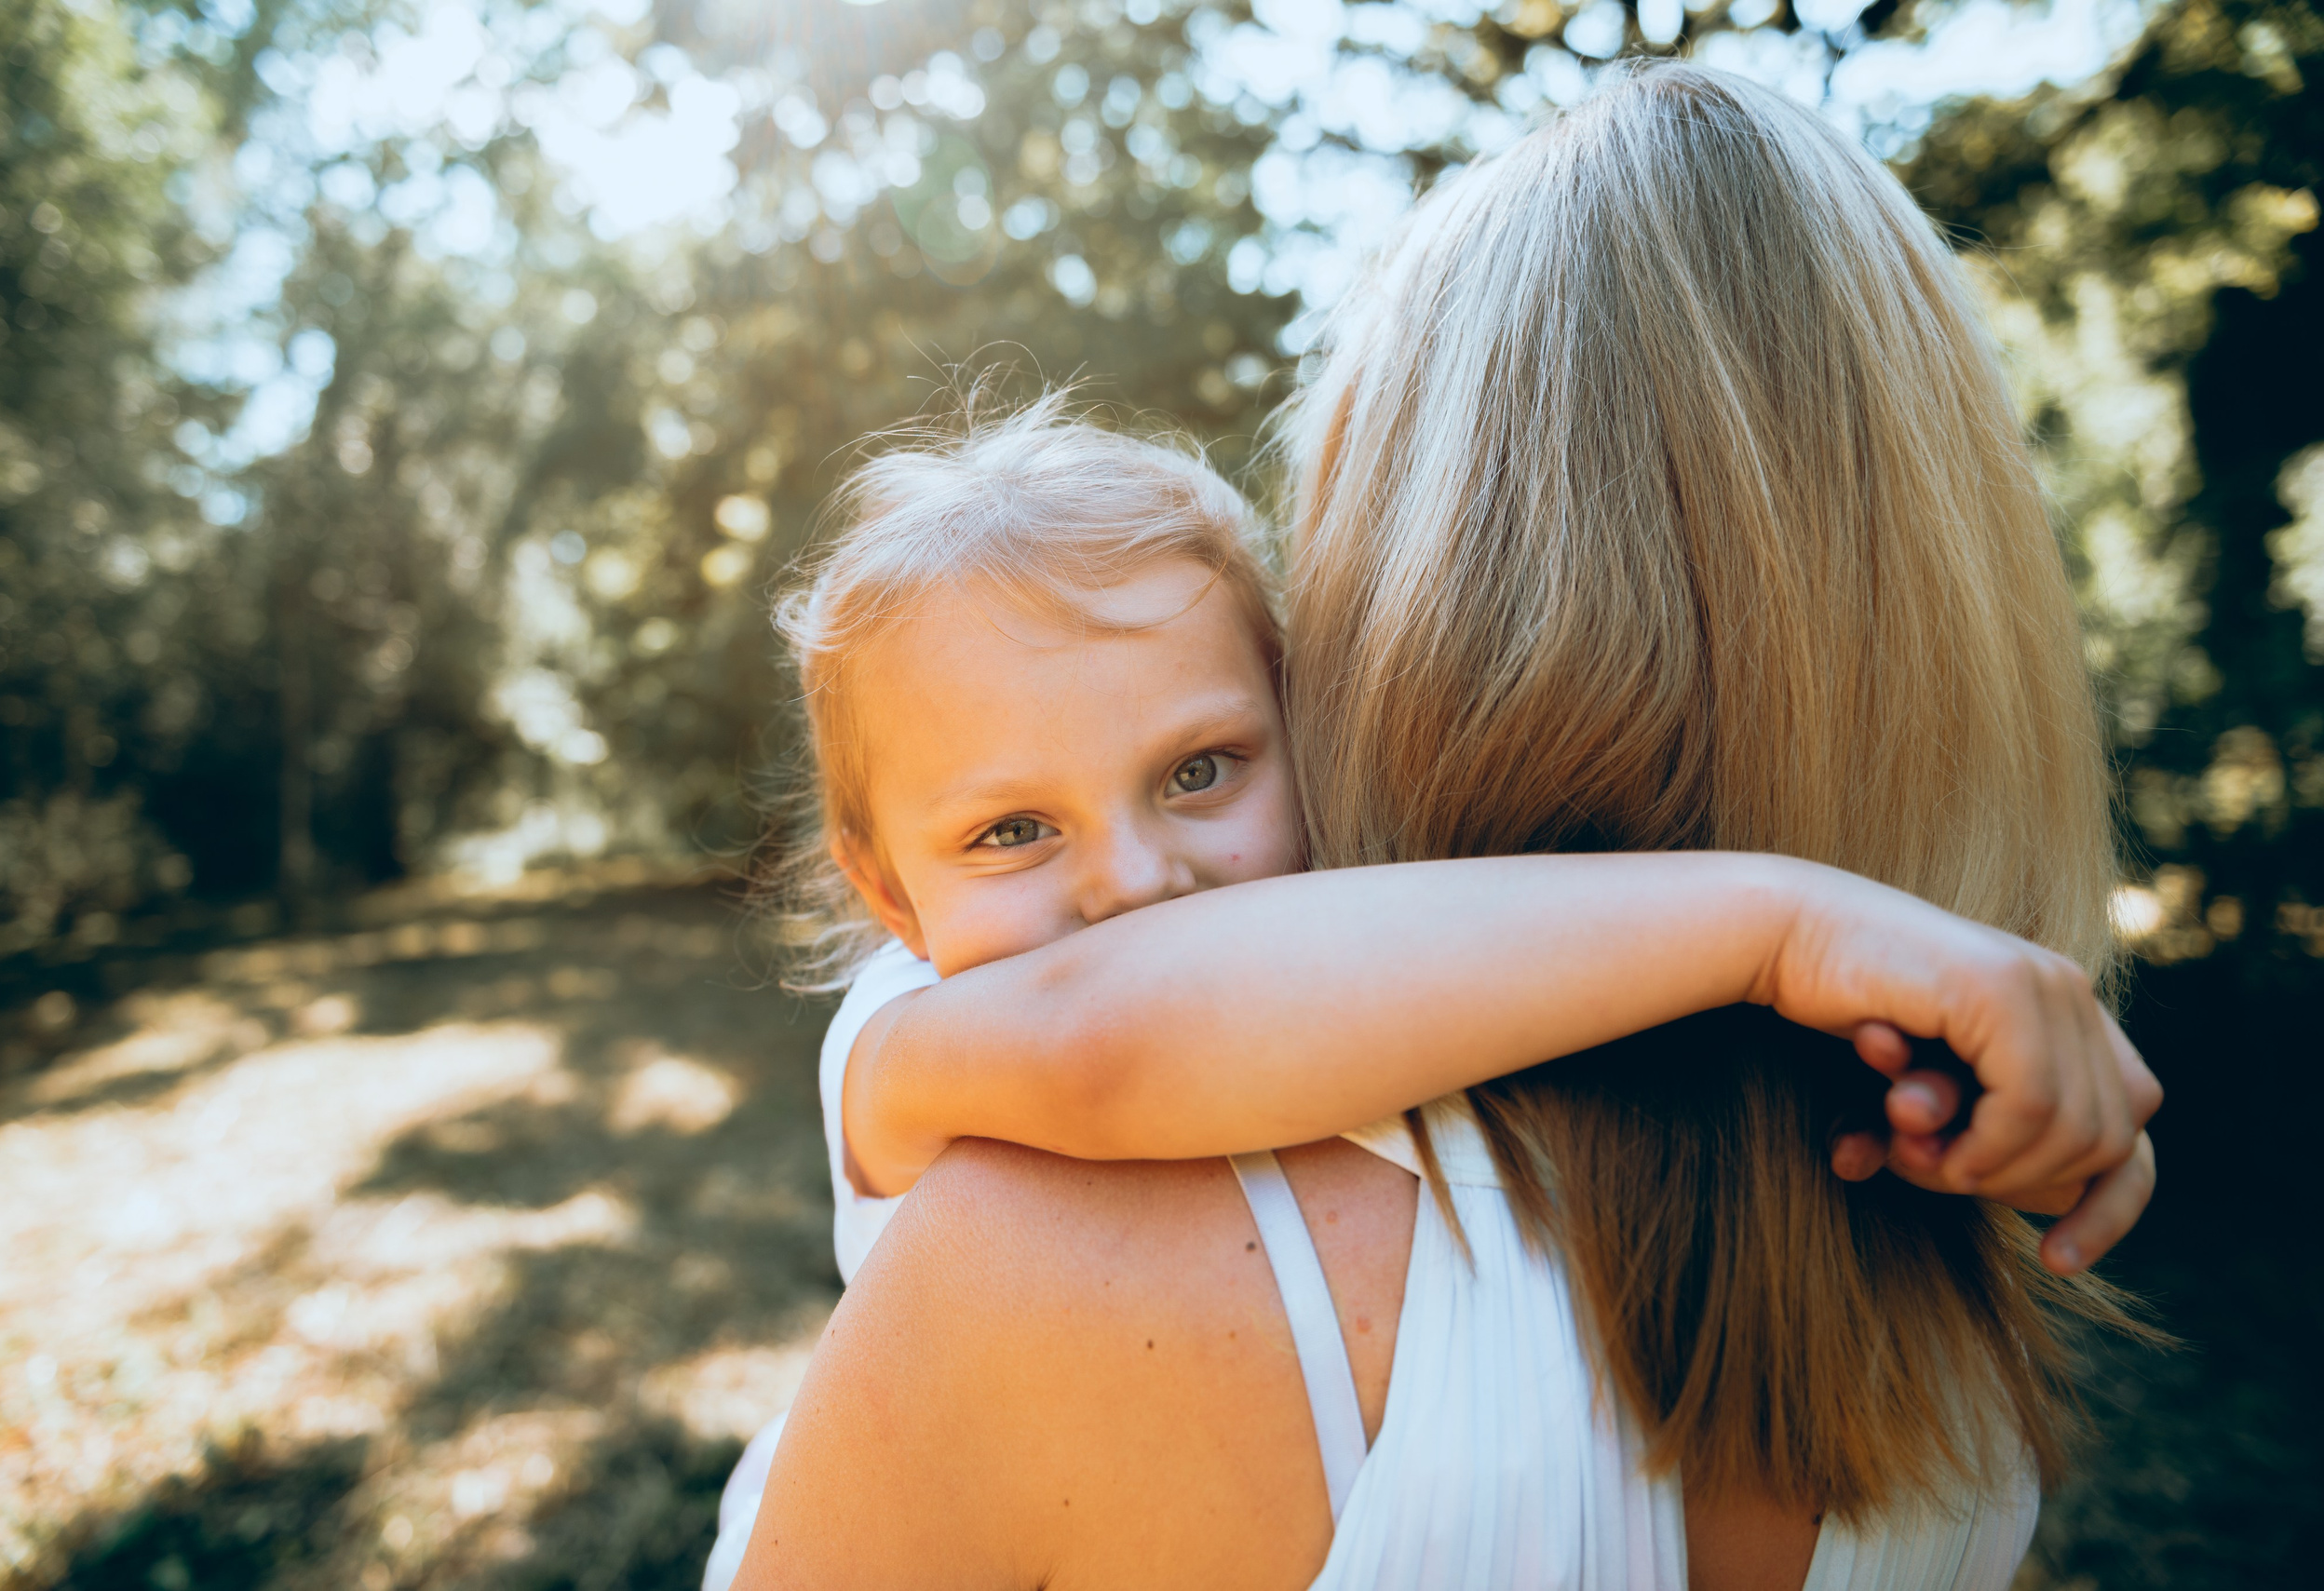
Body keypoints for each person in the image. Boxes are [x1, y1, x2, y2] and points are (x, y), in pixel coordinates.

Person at [723, 62, 2166, 1590]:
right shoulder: (906, 1040)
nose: (1136, 882)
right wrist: (1787, 921)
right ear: (887, 893)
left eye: (1204, 770)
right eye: (1010, 831)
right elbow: (1100, 1035)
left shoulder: (1189, 1165)